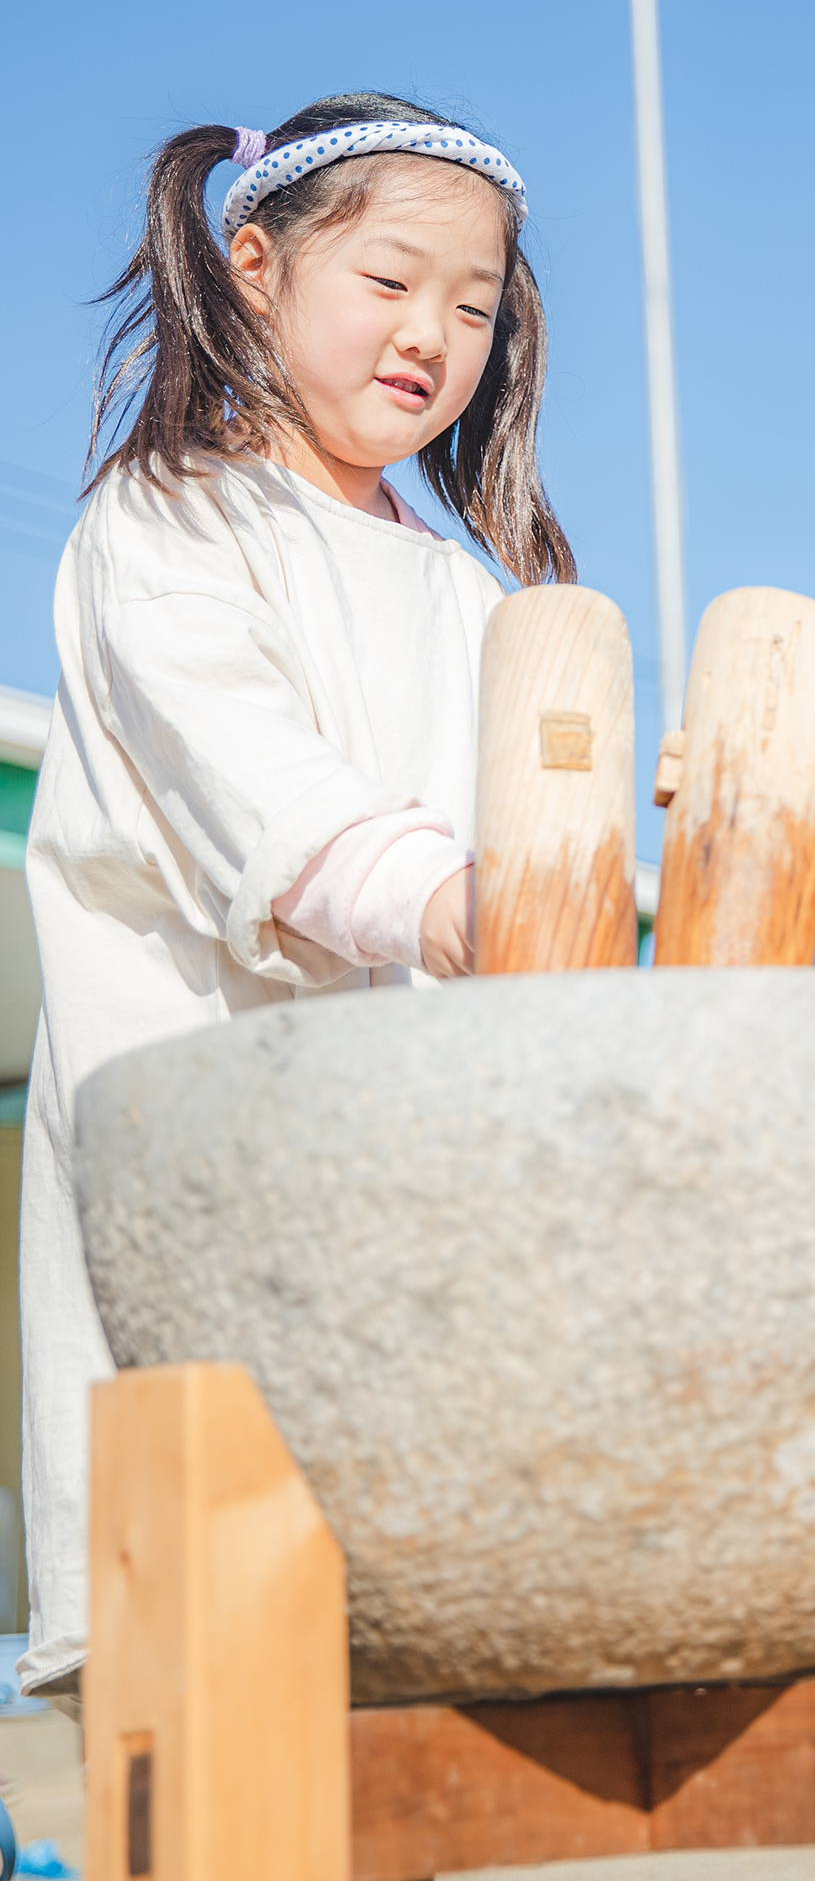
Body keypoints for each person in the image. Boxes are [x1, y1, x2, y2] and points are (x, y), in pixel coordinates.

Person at [21, 91, 572, 1711]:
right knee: (212, 1651)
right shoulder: (170, 520)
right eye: (392, 282)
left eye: (476, 309)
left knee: (399, 1660)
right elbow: (264, 800)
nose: (435, 335)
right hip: (209, 1131)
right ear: (252, 265)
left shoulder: (473, 579)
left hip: (410, 1155)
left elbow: (535, 820)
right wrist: (466, 908)